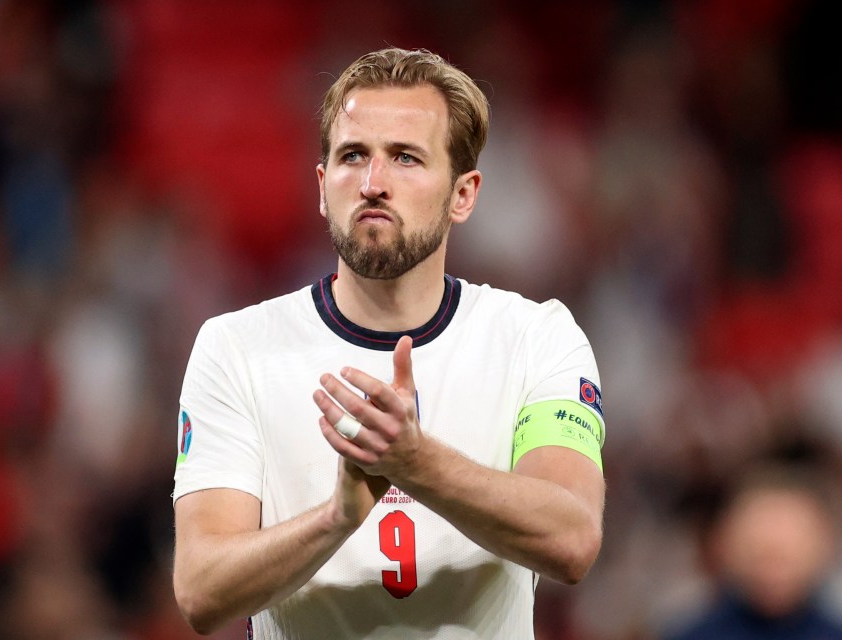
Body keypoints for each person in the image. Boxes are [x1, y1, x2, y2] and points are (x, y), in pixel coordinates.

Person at [172, 47, 606, 640]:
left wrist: (414, 462)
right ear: (323, 188)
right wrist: (335, 520)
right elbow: (200, 589)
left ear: (464, 194)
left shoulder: (536, 338)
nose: (374, 184)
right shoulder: (237, 349)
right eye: (353, 157)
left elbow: (573, 537)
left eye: (405, 158)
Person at [664, 464, 842, 640]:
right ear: (725, 546)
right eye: (758, 551)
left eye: (787, 555)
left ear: (825, 546)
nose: (774, 570)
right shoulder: (691, 634)